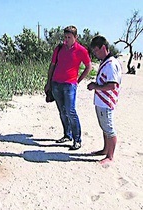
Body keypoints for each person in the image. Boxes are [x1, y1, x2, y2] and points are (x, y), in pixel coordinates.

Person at [44, 25, 92, 150]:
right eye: (65, 37)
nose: (66, 39)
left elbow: (88, 67)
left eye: (69, 37)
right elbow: (52, 65)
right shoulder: (59, 48)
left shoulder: (81, 50)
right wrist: (48, 82)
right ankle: (67, 134)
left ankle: (77, 140)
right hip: (56, 83)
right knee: (62, 111)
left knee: (71, 111)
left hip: (70, 84)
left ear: (75, 37)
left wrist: (78, 80)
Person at [87, 35, 122, 164]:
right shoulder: (106, 62)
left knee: (109, 128)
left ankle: (110, 156)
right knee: (104, 127)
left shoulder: (111, 64)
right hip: (101, 101)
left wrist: (96, 86)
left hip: (106, 102)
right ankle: (105, 149)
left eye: (96, 50)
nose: (95, 54)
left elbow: (112, 85)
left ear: (103, 48)